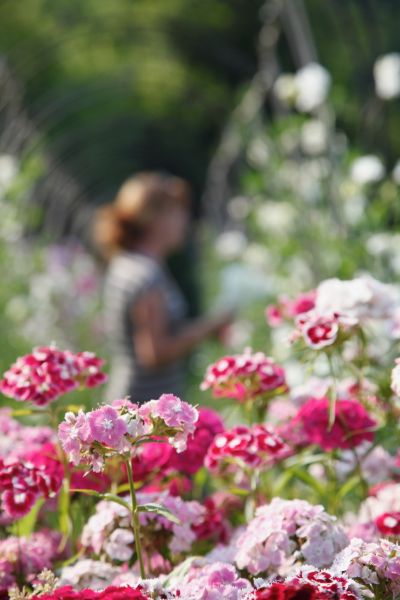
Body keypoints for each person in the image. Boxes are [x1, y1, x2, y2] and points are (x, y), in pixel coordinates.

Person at [93, 172, 232, 403]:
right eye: (178, 212)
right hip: (145, 407)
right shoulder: (146, 276)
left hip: (131, 398)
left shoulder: (127, 263)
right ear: (155, 218)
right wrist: (211, 325)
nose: (185, 221)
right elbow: (155, 353)